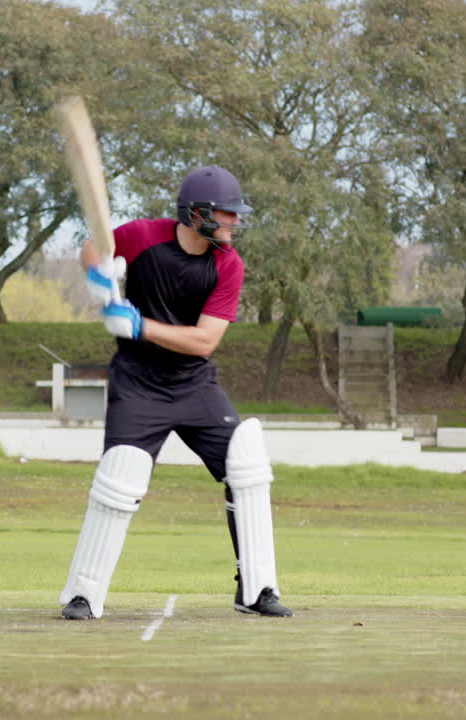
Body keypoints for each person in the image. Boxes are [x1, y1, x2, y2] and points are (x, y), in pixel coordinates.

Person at [59, 166, 293, 620]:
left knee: (246, 465)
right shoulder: (143, 235)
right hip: (137, 382)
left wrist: (140, 325)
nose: (235, 223)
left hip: (193, 383)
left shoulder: (228, 264)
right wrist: (99, 277)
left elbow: (205, 341)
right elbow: (93, 248)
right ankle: (83, 595)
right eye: (227, 214)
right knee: (119, 477)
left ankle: (257, 589)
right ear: (198, 213)